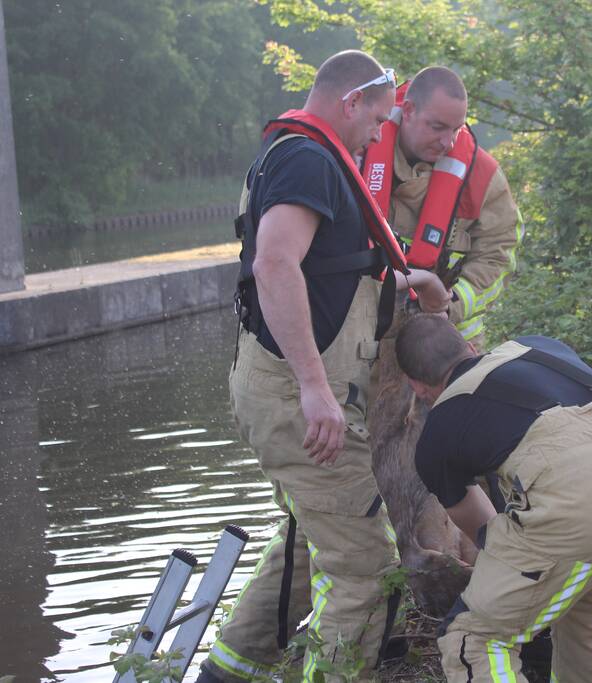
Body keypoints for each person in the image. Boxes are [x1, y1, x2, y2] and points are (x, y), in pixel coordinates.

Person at [198, 51, 449, 683]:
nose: (380, 132)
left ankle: (229, 671)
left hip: (285, 390)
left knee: (310, 545)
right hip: (295, 396)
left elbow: (329, 276)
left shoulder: (304, 156)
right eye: (378, 118)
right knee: (365, 566)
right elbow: (275, 265)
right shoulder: (308, 160)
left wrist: (411, 279)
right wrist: (314, 389)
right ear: (351, 101)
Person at [394, 314, 592, 683]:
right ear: (470, 348)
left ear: (416, 385)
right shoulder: (536, 345)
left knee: (475, 639)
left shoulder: (438, 432)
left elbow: (486, 533)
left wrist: (515, 586)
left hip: (586, 501)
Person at [362, 65, 521, 345]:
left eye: (456, 129)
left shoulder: (483, 177)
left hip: (444, 345)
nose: (448, 142)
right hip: (360, 334)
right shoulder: (357, 147)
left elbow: (499, 254)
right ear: (408, 110)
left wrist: (450, 303)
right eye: (437, 128)